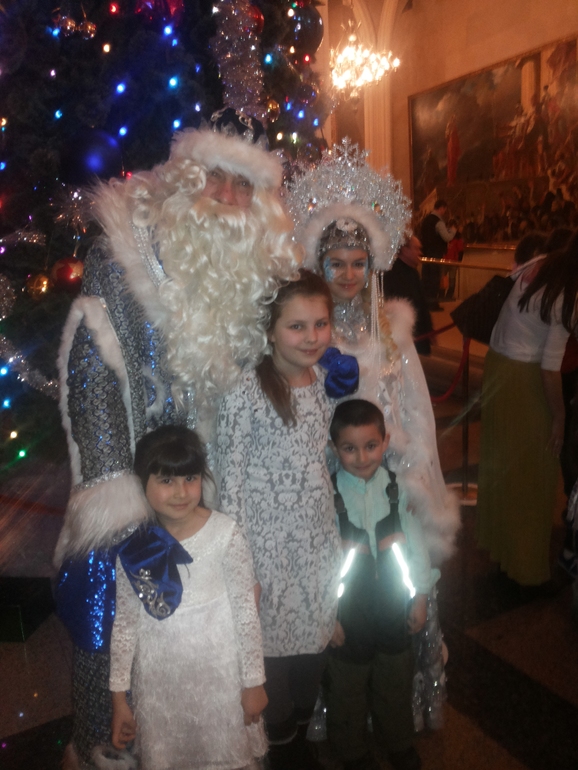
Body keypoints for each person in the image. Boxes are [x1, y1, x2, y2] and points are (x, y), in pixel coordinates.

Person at [55, 108, 299, 769]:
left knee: (212, 645)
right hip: (141, 500)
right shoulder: (121, 262)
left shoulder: (257, 278)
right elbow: (92, 375)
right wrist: (129, 513)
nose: (229, 197)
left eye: (244, 187)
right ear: (187, 178)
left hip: (216, 504)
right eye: (217, 177)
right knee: (116, 631)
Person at [285, 143, 459, 731]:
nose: (348, 275)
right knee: (342, 584)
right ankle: (336, 712)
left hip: (385, 468)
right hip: (330, 471)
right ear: (319, 264)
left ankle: (396, 705)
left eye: (358, 262)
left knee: (396, 579)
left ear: (373, 264)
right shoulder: (309, 328)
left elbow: (412, 403)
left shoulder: (390, 329)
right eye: (336, 263)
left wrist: (417, 466)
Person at [216, 270, 358, 770]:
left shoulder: (324, 385)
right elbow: (230, 484)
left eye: (321, 324)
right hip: (266, 552)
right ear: (271, 330)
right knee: (271, 657)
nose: (312, 337)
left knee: (312, 653)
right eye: (297, 326)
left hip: (315, 546)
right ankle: (282, 747)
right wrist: (240, 567)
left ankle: (299, 728)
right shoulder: (246, 390)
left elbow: (327, 457)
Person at [109, 425, 268, 770]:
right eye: (166, 480)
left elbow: (246, 612)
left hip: (221, 682)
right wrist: (119, 698)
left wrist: (253, 682)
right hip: (161, 686)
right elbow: (125, 624)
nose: (181, 492)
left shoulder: (225, 534)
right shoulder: (134, 549)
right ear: (142, 483)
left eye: (190, 478)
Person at [325, 399, 431, 770]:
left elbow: (417, 550)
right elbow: (320, 565)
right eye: (349, 448)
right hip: (348, 613)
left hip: (393, 608)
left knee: (395, 682)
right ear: (334, 448)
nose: (361, 457)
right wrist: (327, 617)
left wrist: (420, 597)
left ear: (385, 442)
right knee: (347, 688)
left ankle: (399, 744)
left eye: (371, 445)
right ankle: (352, 752)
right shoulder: (328, 496)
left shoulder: (397, 492)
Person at [477, 234, 578, 587]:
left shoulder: (540, 264)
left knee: (505, 468)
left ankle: (504, 552)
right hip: (525, 380)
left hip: (498, 368)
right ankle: (526, 568)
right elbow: (550, 369)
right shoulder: (566, 295)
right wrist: (559, 418)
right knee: (533, 475)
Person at [382, 235, 434, 356]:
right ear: (405, 250)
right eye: (416, 248)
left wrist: (429, 328)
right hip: (404, 339)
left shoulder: (413, 272)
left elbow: (421, 303)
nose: (420, 252)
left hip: (418, 334)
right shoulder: (391, 274)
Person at [419, 199, 456, 310]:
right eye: (445, 209)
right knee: (434, 279)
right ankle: (433, 304)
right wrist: (453, 231)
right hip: (435, 254)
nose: (445, 212)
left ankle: (425, 303)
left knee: (426, 279)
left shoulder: (426, 220)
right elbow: (446, 237)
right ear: (441, 208)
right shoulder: (438, 222)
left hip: (425, 254)